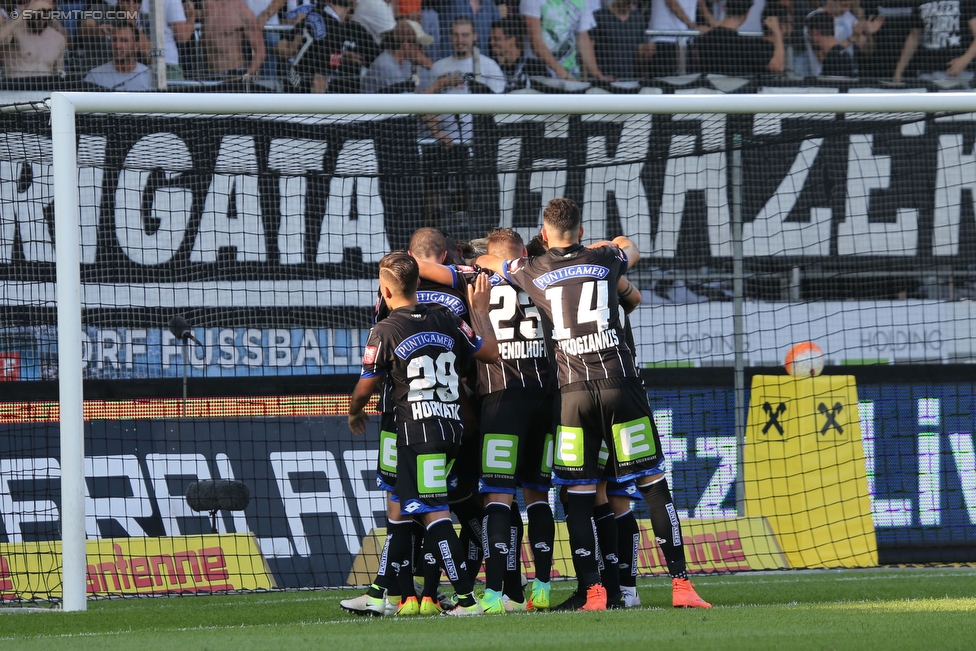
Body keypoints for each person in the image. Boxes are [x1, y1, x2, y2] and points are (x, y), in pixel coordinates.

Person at [477, 198, 711, 611]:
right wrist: (610, 247)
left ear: (545, 234)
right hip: (621, 386)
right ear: (581, 232)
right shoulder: (605, 259)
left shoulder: (532, 270)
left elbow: (494, 264)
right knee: (653, 485)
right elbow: (630, 249)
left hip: (573, 395)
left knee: (579, 493)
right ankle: (681, 586)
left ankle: (595, 593)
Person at [413, 227, 558, 613]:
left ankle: (494, 594)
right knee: (539, 495)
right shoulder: (541, 272)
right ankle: (541, 589)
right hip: (547, 397)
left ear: (487, 255)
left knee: (497, 497)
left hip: (502, 397)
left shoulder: (474, 275)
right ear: (521, 250)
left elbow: (427, 267)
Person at [348, 251, 499, 617]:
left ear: (385, 289)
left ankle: (466, 600)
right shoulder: (446, 317)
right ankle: (377, 593)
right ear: (418, 284)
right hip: (450, 428)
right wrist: (480, 311)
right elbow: (491, 352)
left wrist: (354, 412)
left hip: (418, 431)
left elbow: (366, 386)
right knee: (402, 506)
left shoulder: (384, 329)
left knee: (433, 514)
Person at [277, 0, 379, 92]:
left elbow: (293, 48)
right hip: (305, 99)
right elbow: (318, 82)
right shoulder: (336, 31)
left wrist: (340, 57)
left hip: (292, 86)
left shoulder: (315, 14)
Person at [520, 0, 609, 79]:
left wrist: (597, 74)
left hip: (572, 74)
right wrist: (563, 74)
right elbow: (536, 42)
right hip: (539, 74)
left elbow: (583, 38)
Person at [893, 0, 976, 83]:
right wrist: (899, 71)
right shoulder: (920, 2)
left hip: (960, 74)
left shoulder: (966, 2)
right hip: (928, 73)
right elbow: (914, 36)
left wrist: (964, 60)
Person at [696, 0, 785, 75]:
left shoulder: (704, 39)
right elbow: (778, 66)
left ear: (724, 8)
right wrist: (777, 31)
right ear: (747, 14)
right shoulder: (747, 46)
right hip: (739, 94)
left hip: (712, 93)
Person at [361, 18, 435, 92]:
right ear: (405, 45)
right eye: (419, 45)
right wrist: (437, 86)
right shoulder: (387, 65)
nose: (421, 50)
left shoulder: (405, 62)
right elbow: (406, 101)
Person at [0, 0, 65, 81]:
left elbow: (59, 73)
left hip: (46, 89)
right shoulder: (14, 32)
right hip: (17, 89)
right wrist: (24, 13)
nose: (40, 20)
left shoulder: (58, 39)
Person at [201, 0, 266, 78]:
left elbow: (260, 50)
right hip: (208, 75)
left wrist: (247, 75)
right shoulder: (206, 5)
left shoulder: (240, 8)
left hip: (233, 74)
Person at [85, 24, 153, 89]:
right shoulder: (95, 77)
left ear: (136, 46)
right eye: (114, 40)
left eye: (124, 41)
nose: (117, 45)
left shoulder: (149, 77)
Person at [644, 0, 703, 76]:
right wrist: (692, 26)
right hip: (663, 37)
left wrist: (715, 25)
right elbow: (670, 2)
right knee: (663, 83)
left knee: (689, 84)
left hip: (687, 39)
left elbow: (702, 3)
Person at [590, 0, 646, 79]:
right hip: (604, 80)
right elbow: (588, 49)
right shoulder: (598, 16)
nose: (630, 6)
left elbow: (640, 52)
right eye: (628, 2)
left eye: (634, 3)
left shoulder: (638, 18)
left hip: (629, 80)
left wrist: (646, 52)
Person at [488, 17, 548, 90]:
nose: (491, 42)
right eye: (491, 39)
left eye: (497, 39)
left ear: (512, 40)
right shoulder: (494, 69)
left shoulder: (535, 67)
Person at [139, 0, 193, 80]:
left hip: (136, 60)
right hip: (166, 61)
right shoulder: (171, 1)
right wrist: (192, 16)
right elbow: (183, 36)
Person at [434, 0, 501, 61]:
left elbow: (499, 30)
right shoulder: (452, 2)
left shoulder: (490, 5)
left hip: (481, 64)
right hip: (450, 63)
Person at [806, 9, 856, 75]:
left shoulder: (832, 59)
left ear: (815, 33)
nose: (810, 37)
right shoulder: (844, 54)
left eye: (809, 33)